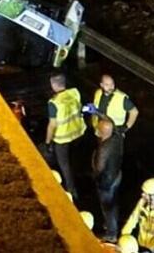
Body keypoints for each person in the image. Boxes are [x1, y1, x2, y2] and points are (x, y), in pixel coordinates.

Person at [45, 73, 85, 201]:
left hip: (62, 138)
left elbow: (52, 125)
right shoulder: (74, 92)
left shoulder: (54, 103)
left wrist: (48, 142)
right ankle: (80, 179)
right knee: (75, 160)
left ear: (53, 85)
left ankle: (72, 192)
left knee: (65, 165)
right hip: (78, 133)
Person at [121, 178, 154, 252]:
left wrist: (152, 247)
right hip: (143, 243)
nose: (142, 194)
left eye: (145, 193)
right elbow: (133, 219)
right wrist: (124, 235)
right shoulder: (142, 202)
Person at [92, 119, 123, 242]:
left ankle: (111, 233)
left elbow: (99, 168)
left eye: (98, 129)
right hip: (116, 175)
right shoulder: (117, 138)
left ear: (102, 132)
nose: (96, 130)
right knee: (114, 202)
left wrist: (93, 162)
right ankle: (113, 222)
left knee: (107, 207)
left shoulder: (103, 149)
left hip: (106, 182)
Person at [86, 74, 139, 138]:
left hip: (115, 133)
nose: (110, 87)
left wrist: (126, 127)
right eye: (107, 85)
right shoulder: (98, 93)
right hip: (99, 130)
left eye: (112, 84)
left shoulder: (121, 98)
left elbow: (134, 112)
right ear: (101, 85)